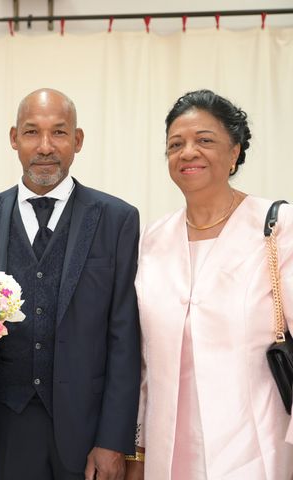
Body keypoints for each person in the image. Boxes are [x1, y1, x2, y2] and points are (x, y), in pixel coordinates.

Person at [0, 88, 141, 480]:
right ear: (14, 139)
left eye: (59, 133)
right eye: (32, 133)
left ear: (77, 141)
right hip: (5, 426)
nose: (45, 147)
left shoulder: (117, 219)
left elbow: (125, 338)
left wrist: (114, 440)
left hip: (86, 429)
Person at [127, 89, 293, 480]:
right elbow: (144, 359)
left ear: (235, 152)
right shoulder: (153, 237)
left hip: (255, 444)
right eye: (175, 144)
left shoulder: (277, 227)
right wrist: (137, 448)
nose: (188, 152)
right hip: (169, 446)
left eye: (205, 140)